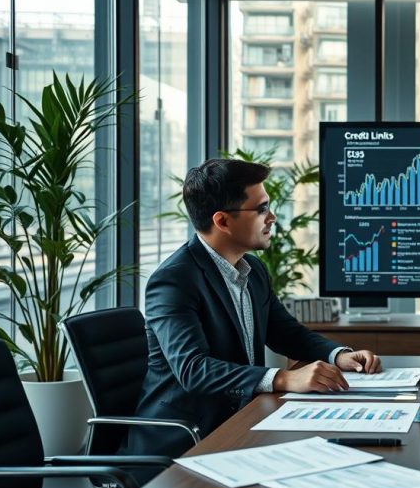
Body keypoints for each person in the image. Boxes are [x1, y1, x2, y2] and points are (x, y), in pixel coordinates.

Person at [125, 159, 381, 457]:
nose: (272, 217)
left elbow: (286, 333)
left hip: (242, 422)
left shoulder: (253, 269)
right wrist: (283, 378)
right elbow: (193, 369)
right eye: (261, 209)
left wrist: (339, 356)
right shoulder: (173, 281)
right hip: (186, 440)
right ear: (222, 221)